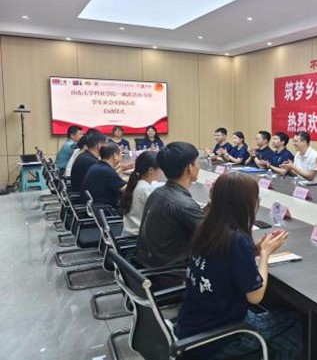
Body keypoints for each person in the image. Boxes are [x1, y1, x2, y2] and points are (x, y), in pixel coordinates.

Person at [175, 173, 302, 360]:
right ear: (245, 203)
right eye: (256, 197)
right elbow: (255, 297)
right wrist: (265, 255)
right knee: (294, 321)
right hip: (218, 338)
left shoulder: (207, 228)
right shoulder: (237, 239)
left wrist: (254, 250)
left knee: (283, 334)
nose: (258, 202)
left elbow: (224, 261)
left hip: (191, 327)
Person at [135, 142, 206, 283]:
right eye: (198, 162)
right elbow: (214, 239)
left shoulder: (158, 192)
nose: (199, 166)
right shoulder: (183, 204)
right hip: (171, 275)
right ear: (189, 168)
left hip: (149, 267)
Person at [121, 151, 162, 236]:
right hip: (139, 237)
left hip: (131, 232)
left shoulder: (137, 183)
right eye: (160, 168)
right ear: (151, 170)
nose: (161, 171)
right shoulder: (145, 189)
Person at [81, 142, 127, 211]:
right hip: (107, 210)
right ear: (115, 156)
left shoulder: (97, 166)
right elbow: (127, 190)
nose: (121, 156)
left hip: (94, 208)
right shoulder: (107, 171)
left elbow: (114, 180)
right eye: (121, 154)